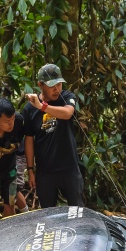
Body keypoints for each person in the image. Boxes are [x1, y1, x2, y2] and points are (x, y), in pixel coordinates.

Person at [23, 63, 85, 208]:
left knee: (77, 210)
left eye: (59, 84)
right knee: (48, 214)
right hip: (46, 172)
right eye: (52, 85)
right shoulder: (29, 109)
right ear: (40, 85)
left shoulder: (66, 97)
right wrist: (31, 169)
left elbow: (68, 113)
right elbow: (29, 140)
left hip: (69, 168)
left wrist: (42, 106)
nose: (57, 89)